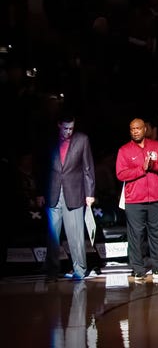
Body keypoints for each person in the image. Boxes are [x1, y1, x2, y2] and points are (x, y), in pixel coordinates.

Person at [116, 118, 158, 282]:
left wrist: (153, 165)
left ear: (145, 129)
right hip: (134, 200)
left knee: (157, 235)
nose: (135, 131)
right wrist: (141, 169)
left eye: (138, 128)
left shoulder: (156, 146)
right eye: (132, 129)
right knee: (136, 236)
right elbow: (120, 174)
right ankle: (138, 269)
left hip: (156, 198)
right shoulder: (124, 150)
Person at [37, 113, 95, 281]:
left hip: (75, 192)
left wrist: (90, 193)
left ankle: (80, 270)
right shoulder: (49, 141)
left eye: (71, 128)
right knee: (53, 236)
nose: (68, 131)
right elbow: (42, 168)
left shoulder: (82, 140)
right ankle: (52, 271)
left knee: (76, 235)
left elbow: (88, 168)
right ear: (58, 125)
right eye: (65, 128)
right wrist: (40, 192)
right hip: (53, 192)